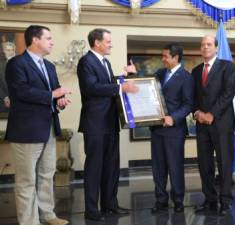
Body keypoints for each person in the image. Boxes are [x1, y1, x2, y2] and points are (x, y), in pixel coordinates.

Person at [5, 25, 71, 225]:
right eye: (48, 38)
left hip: (48, 128)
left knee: (46, 174)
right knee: (26, 181)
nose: (52, 42)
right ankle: (29, 221)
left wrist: (60, 100)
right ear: (35, 40)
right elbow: (20, 92)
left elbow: (55, 91)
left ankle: (48, 215)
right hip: (26, 130)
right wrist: (53, 95)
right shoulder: (16, 64)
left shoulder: (49, 66)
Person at [77, 28, 139, 221]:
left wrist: (123, 75)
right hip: (95, 124)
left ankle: (109, 205)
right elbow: (92, 88)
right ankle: (91, 209)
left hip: (110, 122)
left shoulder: (105, 62)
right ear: (97, 43)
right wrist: (120, 86)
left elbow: (108, 86)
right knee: (94, 168)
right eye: (108, 41)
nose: (111, 44)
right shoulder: (86, 61)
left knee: (111, 166)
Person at [192, 35, 235, 215]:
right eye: (202, 45)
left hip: (222, 124)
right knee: (204, 164)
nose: (205, 47)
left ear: (216, 48)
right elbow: (192, 96)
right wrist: (197, 112)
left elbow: (228, 93)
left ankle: (225, 201)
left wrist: (212, 114)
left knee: (224, 163)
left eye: (209, 44)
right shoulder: (195, 71)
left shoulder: (227, 66)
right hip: (202, 124)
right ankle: (209, 200)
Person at [149, 43, 194, 214]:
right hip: (157, 129)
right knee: (158, 168)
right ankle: (160, 201)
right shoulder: (160, 74)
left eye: (165, 56)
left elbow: (188, 104)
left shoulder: (186, 77)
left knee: (175, 167)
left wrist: (173, 118)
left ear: (175, 58)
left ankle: (178, 201)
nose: (163, 59)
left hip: (174, 131)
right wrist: (131, 74)